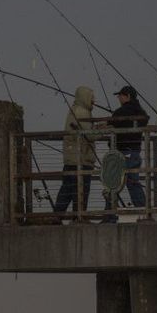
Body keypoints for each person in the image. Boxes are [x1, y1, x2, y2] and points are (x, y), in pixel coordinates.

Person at [102, 86, 149, 223]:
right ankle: (143, 212)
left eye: (120, 95)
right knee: (133, 182)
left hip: (122, 152)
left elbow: (110, 124)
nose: (118, 98)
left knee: (113, 183)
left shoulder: (121, 112)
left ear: (127, 96)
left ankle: (109, 216)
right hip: (135, 152)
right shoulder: (141, 112)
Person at [54, 86, 99, 219]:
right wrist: (104, 130)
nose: (94, 100)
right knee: (81, 191)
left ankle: (57, 216)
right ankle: (78, 218)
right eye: (91, 97)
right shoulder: (82, 112)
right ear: (85, 97)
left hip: (72, 159)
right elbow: (89, 135)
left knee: (68, 190)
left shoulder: (75, 110)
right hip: (80, 159)